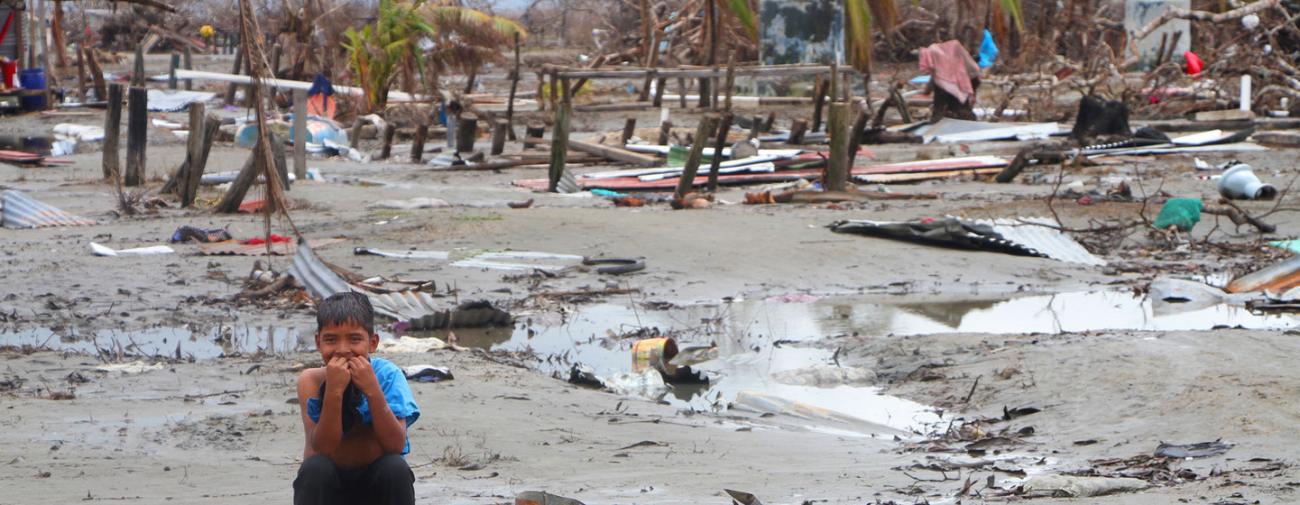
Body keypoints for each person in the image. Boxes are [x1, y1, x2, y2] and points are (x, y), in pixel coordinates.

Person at [294, 292, 420, 505]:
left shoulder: (388, 376)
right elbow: (323, 449)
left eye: (354, 339)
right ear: (318, 342)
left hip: (377, 489)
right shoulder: (311, 381)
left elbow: (395, 445)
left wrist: (372, 389)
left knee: (394, 468)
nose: (343, 350)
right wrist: (334, 390)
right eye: (331, 340)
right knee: (315, 469)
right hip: (330, 490)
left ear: (372, 342)